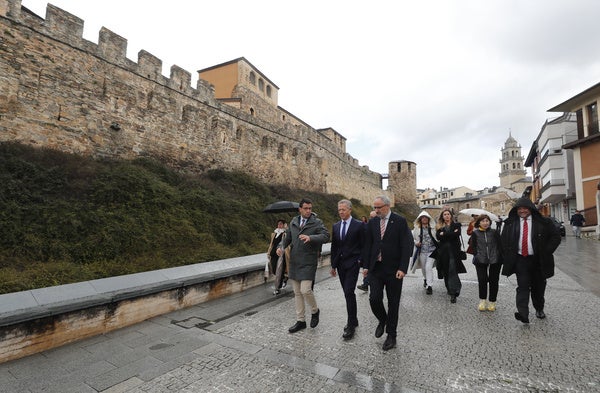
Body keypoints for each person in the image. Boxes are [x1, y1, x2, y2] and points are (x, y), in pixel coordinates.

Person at [362, 196, 414, 351]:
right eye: (375, 207)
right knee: (374, 298)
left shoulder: (399, 221)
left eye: (379, 207)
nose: (376, 210)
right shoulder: (373, 222)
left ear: (387, 206)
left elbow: (407, 245)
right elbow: (368, 245)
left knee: (393, 303)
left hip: (393, 270)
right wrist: (365, 266)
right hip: (376, 268)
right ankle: (382, 320)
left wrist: (402, 268)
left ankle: (391, 335)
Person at [500, 196, 561, 324]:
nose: (522, 211)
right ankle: (523, 314)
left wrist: (546, 251)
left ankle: (539, 308)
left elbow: (556, 237)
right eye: (519, 209)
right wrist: (508, 256)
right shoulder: (510, 223)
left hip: (538, 260)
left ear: (531, 209)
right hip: (520, 260)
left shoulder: (544, 222)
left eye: (525, 208)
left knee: (538, 287)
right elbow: (503, 241)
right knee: (522, 287)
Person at [278, 198, 329, 333]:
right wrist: (281, 247)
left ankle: (315, 311)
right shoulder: (294, 221)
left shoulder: (316, 222)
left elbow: (326, 236)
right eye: (305, 208)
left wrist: (311, 238)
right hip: (294, 261)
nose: (308, 211)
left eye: (310, 208)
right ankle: (300, 321)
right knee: (297, 293)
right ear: (300, 209)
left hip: (308, 261)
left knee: (306, 290)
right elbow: (287, 238)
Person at [330, 199, 365, 340]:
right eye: (339, 210)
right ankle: (354, 319)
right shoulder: (336, 226)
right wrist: (333, 265)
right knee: (346, 292)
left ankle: (350, 324)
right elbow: (334, 247)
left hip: (353, 264)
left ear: (350, 210)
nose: (341, 212)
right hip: (341, 265)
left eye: (343, 209)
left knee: (349, 292)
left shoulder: (359, 225)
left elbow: (364, 245)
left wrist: (360, 261)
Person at [470, 214, 503, 312]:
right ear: (479, 222)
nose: (485, 223)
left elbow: (500, 245)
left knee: (494, 281)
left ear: (490, 222)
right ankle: (482, 300)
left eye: (487, 221)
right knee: (482, 280)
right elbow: (474, 246)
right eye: (483, 221)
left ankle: (492, 301)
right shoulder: (475, 233)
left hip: (495, 260)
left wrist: (499, 256)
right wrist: (477, 255)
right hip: (480, 260)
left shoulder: (494, 232)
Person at [435, 208, 467, 303]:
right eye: (444, 214)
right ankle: (449, 288)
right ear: (442, 216)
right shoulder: (439, 226)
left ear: (451, 216)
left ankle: (454, 292)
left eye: (448, 214)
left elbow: (457, 234)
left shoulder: (456, 225)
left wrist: (444, 234)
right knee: (445, 271)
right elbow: (438, 237)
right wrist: (450, 234)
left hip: (454, 252)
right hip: (443, 253)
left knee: (452, 270)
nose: (447, 216)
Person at [409, 211, 438, 295]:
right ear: (420, 219)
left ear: (429, 219)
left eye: (426, 217)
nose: (424, 219)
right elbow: (413, 239)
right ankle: (426, 279)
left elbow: (437, 237)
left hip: (432, 251)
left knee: (428, 267)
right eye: (423, 218)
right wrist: (416, 243)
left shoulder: (433, 228)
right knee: (424, 268)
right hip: (421, 251)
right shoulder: (417, 229)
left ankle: (429, 286)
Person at [357, 210, 377, 292]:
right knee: (366, 268)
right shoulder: (366, 226)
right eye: (370, 217)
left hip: (375, 253)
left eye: (372, 217)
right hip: (366, 252)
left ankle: (366, 284)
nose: (370, 218)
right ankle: (365, 284)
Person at [266, 219, 288, 295]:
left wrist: (286, 229)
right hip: (273, 254)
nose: (279, 225)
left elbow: (287, 242)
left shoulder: (285, 234)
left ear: (284, 224)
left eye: (281, 224)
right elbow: (271, 244)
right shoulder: (274, 233)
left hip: (281, 254)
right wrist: (268, 252)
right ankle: (284, 278)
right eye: (278, 224)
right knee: (274, 269)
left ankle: (278, 287)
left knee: (279, 270)